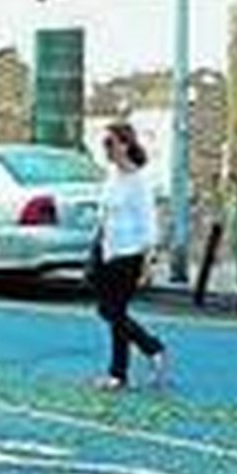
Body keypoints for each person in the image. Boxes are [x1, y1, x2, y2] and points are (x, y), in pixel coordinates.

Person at [92, 122, 167, 390]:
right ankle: (131, 363)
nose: (107, 150)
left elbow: (149, 225)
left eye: (110, 144)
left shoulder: (139, 182)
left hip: (129, 254)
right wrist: (97, 245)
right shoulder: (112, 175)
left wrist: (148, 262)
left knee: (113, 311)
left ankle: (139, 357)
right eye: (104, 145)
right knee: (111, 311)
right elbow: (105, 214)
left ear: (125, 145)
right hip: (107, 250)